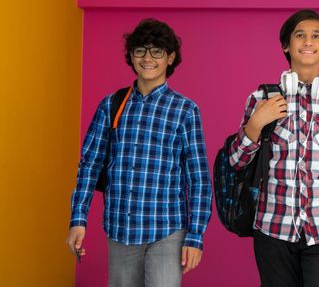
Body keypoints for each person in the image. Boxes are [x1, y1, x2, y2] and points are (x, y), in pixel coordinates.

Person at [66, 18, 212, 287]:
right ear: (131, 57)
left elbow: (199, 179)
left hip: (166, 230)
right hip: (120, 230)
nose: (148, 58)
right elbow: (89, 165)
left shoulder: (185, 110)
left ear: (170, 58)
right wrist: (78, 220)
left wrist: (195, 236)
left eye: (157, 51)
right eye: (140, 50)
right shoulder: (111, 104)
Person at [229, 9, 319, 287]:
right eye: (300, 35)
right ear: (286, 45)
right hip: (272, 228)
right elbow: (237, 161)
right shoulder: (261, 98)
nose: (308, 42)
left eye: (316, 36)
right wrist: (256, 123)